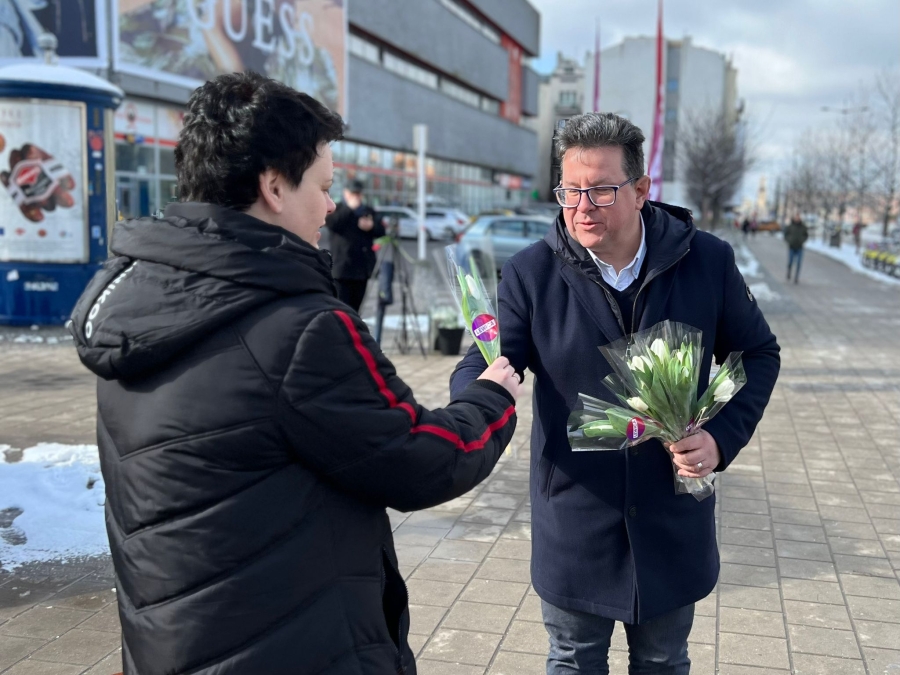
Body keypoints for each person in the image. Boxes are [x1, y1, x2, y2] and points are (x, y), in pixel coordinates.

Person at [67, 71, 520, 675]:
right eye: (324, 186)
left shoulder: (137, 306)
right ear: (274, 186)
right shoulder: (298, 327)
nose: (330, 205)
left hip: (173, 644)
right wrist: (489, 399)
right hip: (294, 645)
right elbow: (418, 458)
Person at [451, 112, 780, 674]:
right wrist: (473, 405)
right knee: (574, 660)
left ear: (641, 189)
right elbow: (483, 361)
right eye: (570, 190)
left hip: (671, 518)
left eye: (601, 190)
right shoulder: (531, 273)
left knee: (663, 661)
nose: (583, 207)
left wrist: (721, 438)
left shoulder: (707, 262)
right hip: (576, 518)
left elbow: (758, 354)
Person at [326, 179, 384, 311]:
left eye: (358, 194)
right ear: (346, 193)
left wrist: (371, 226)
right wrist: (349, 208)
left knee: (355, 309)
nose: (356, 197)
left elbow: (381, 231)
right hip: (342, 269)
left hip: (361, 269)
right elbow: (332, 224)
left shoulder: (367, 210)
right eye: (353, 194)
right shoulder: (338, 208)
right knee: (341, 308)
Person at [784, 214, 809, 283]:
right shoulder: (790, 226)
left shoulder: (803, 227)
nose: (797, 219)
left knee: (798, 263)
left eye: (798, 218)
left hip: (799, 247)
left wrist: (802, 240)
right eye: (796, 218)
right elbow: (786, 235)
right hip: (791, 247)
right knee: (790, 262)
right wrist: (789, 240)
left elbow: (806, 235)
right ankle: (789, 272)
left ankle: (796, 277)